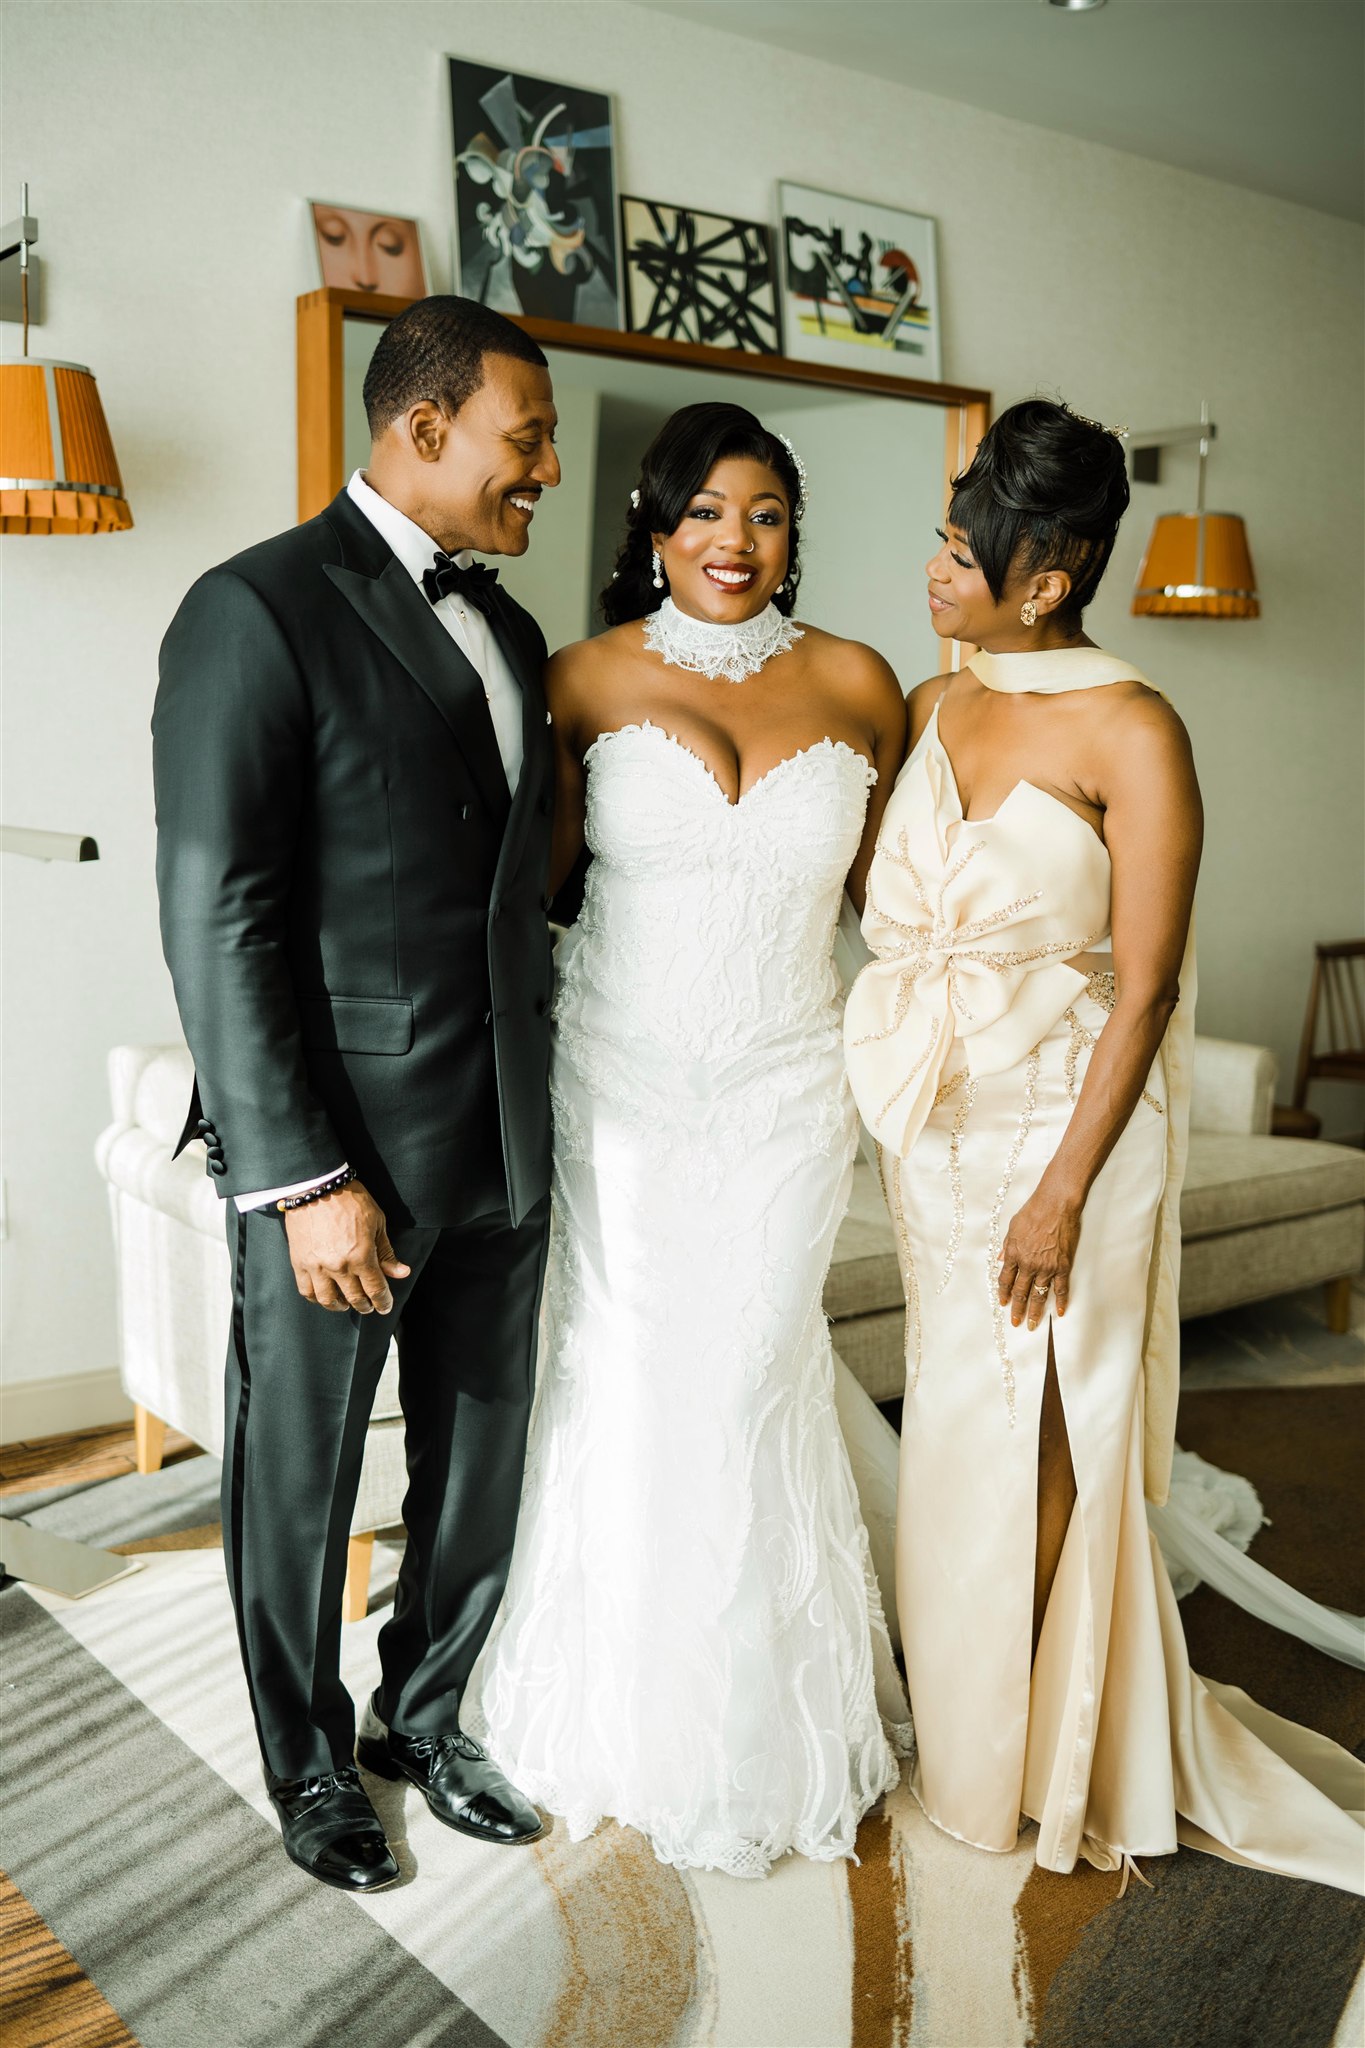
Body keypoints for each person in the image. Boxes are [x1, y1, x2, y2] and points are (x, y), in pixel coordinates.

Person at [844, 398, 1364, 1891]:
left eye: (959, 549)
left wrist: (1062, 1190)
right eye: (940, 541)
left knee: (1049, 1432)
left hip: (1066, 1135)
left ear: (1048, 571)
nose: (932, 569)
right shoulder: (939, 706)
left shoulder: (1133, 726)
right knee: (954, 1425)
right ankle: (965, 1728)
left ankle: (1040, 1752)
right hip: (939, 1136)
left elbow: (1143, 990)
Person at [469, 402, 912, 1877]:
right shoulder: (577, 678)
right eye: (706, 512)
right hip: (626, 1089)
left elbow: (894, 908)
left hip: (791, 1088)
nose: (736, 542)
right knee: (647, 1383)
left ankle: (762, 1726)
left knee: (747, 1383)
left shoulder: (859, 680)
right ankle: (620, 1714)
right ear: (654, 526)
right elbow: (531, 893)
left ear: (795, 529)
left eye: (767, 513)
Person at [153, 296, 561, 1892]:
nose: (539, 472)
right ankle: (308, 1765)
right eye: (522, 441)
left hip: (507, 1139)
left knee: (480, 1458)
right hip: (340, 1158)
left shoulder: (516, 634)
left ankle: (428, 1713)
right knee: (303, 1470)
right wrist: (300, 1176)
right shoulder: (253, 607)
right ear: (423, 427)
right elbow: (217, 908)